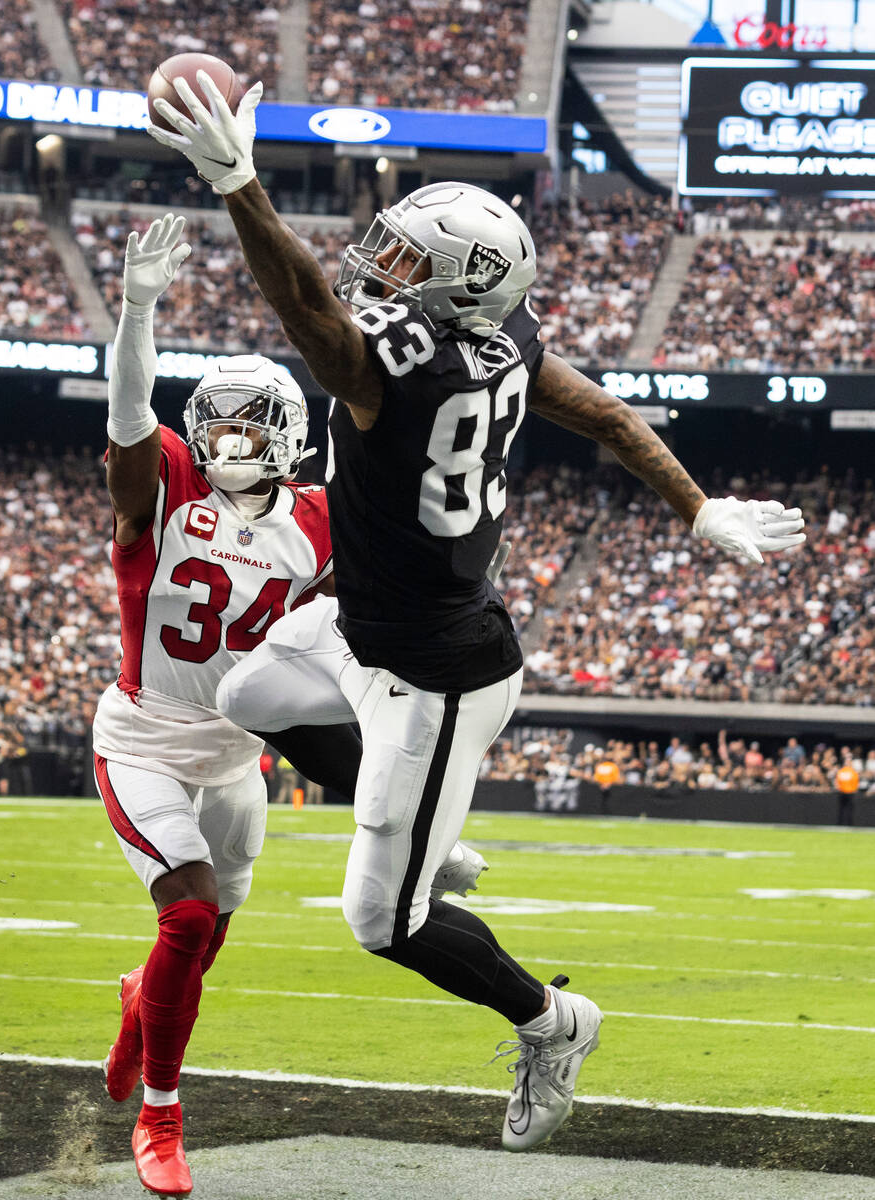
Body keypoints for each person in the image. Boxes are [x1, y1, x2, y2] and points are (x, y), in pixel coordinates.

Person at [149, 74, 808, 1152]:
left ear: (462, 288)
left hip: (436, 672)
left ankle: (555, 1023)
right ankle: (429, 828)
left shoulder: (395, 373)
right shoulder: (507, 341)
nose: (384, 268)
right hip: (369, 623)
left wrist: (241, 186)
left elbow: (307, 310)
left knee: (382, 921)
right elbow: (605, 412)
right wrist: (696, 510)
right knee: (251, 684)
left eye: (410, 263)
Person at [93, 215, 485, 1197]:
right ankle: (163, 1119)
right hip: (143, 740)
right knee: (185, 918)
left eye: (248, 422)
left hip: (237, 760)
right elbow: (131, 412)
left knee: (205, 939)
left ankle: (144, 1006)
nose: (226, 437)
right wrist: (139, 307)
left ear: (289, 439)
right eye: (214, 420)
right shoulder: (165, 489)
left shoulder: (317, 522)